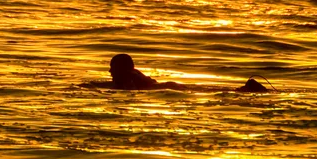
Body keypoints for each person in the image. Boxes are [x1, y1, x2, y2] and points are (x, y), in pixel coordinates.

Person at [109, 54, 269, 92]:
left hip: (170, 88)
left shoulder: (130, 79)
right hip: (171, 86)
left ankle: (247, 89)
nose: (109, 71)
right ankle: (244, 89)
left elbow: (128, 90)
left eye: (113, 67)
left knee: (209, 92)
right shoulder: (132, 75)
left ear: (122, 69)